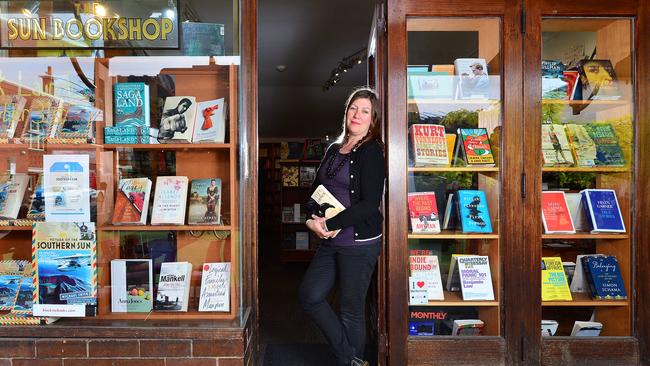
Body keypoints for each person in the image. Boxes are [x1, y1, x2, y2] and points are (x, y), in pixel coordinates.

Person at [298, 88, 385, 366]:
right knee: (310, 295)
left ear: (373, 120)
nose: (357, 115)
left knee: (351, 310)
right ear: (346, 112)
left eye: (365, 111)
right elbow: (315, 190)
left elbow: (370, 204)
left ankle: (349, 360)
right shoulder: (334, 149)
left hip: (359, 244)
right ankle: (350, 358)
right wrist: (312, 220)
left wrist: (331, 223)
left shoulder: (372, 152)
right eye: (353, 108)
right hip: (329, 240)